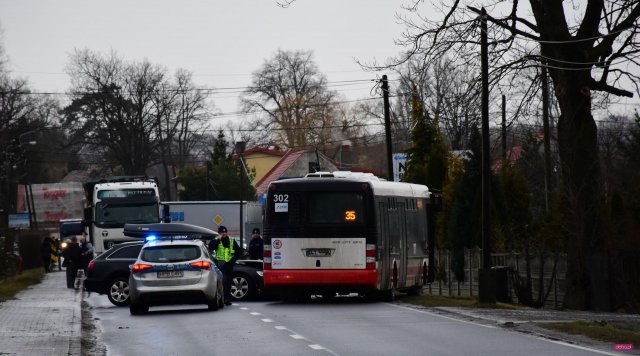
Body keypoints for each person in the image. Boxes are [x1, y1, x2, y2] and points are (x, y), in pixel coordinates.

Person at [208, 226, 243, 305]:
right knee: (223, 281)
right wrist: (218, 239)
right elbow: (211, 247)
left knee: (229, 281)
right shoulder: (216, 240)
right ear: (219, 233)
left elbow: (239, 251)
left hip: (229, 264)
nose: (223, 233)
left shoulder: (231, 240)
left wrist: (234, 258)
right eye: (221, 232)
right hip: (220, 264)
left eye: (225, 232)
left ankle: (227, 299)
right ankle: (222, 298)